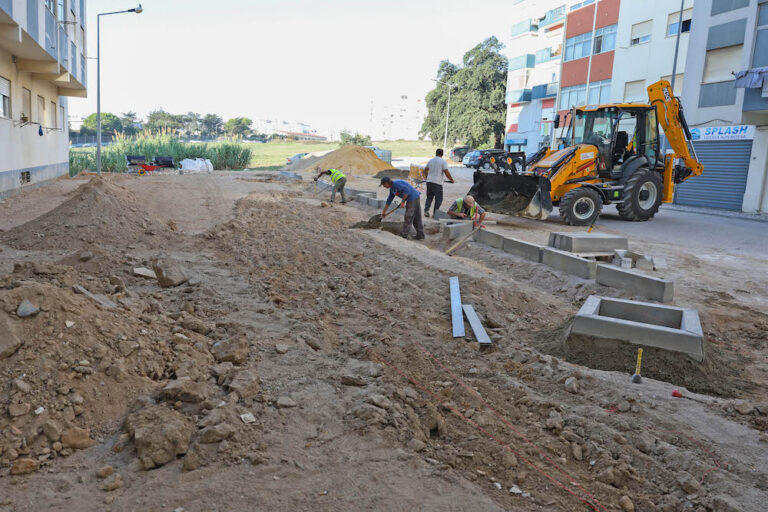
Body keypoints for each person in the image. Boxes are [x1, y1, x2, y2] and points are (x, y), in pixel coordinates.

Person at [423, 149, 455, 218]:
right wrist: (451, 179)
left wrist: (427, 177)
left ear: (436, 153)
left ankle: (426, 211)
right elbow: (446, 172)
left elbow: (425, 170)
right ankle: (435, 213)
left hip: (429, 182)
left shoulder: (431, 160)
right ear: (442, 154)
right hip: (437, 183)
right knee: (439, 199)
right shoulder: (443, 162)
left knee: (429, 197)